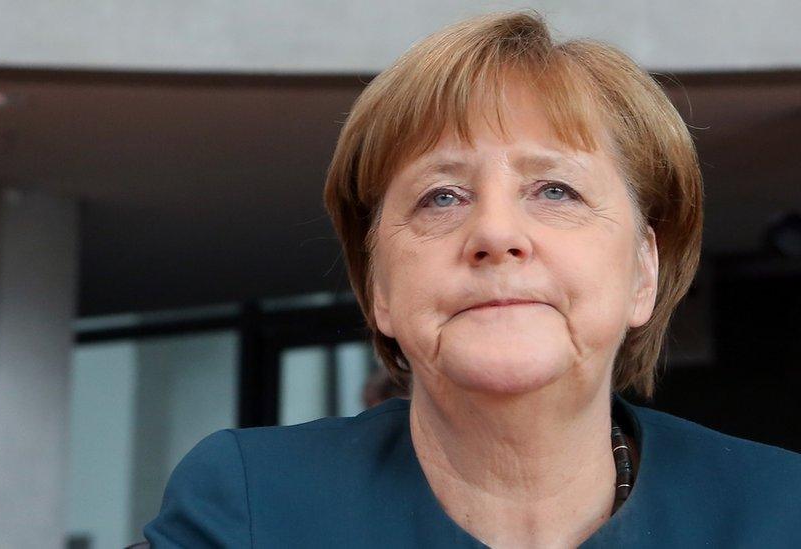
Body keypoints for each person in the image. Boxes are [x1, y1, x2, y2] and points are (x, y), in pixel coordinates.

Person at [144, 11, 801, 547]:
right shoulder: (249, 505)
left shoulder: (780, 511)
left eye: (556, 190)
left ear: (642, 271)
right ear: (378, 288)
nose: (495, 233)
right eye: (442, 197)